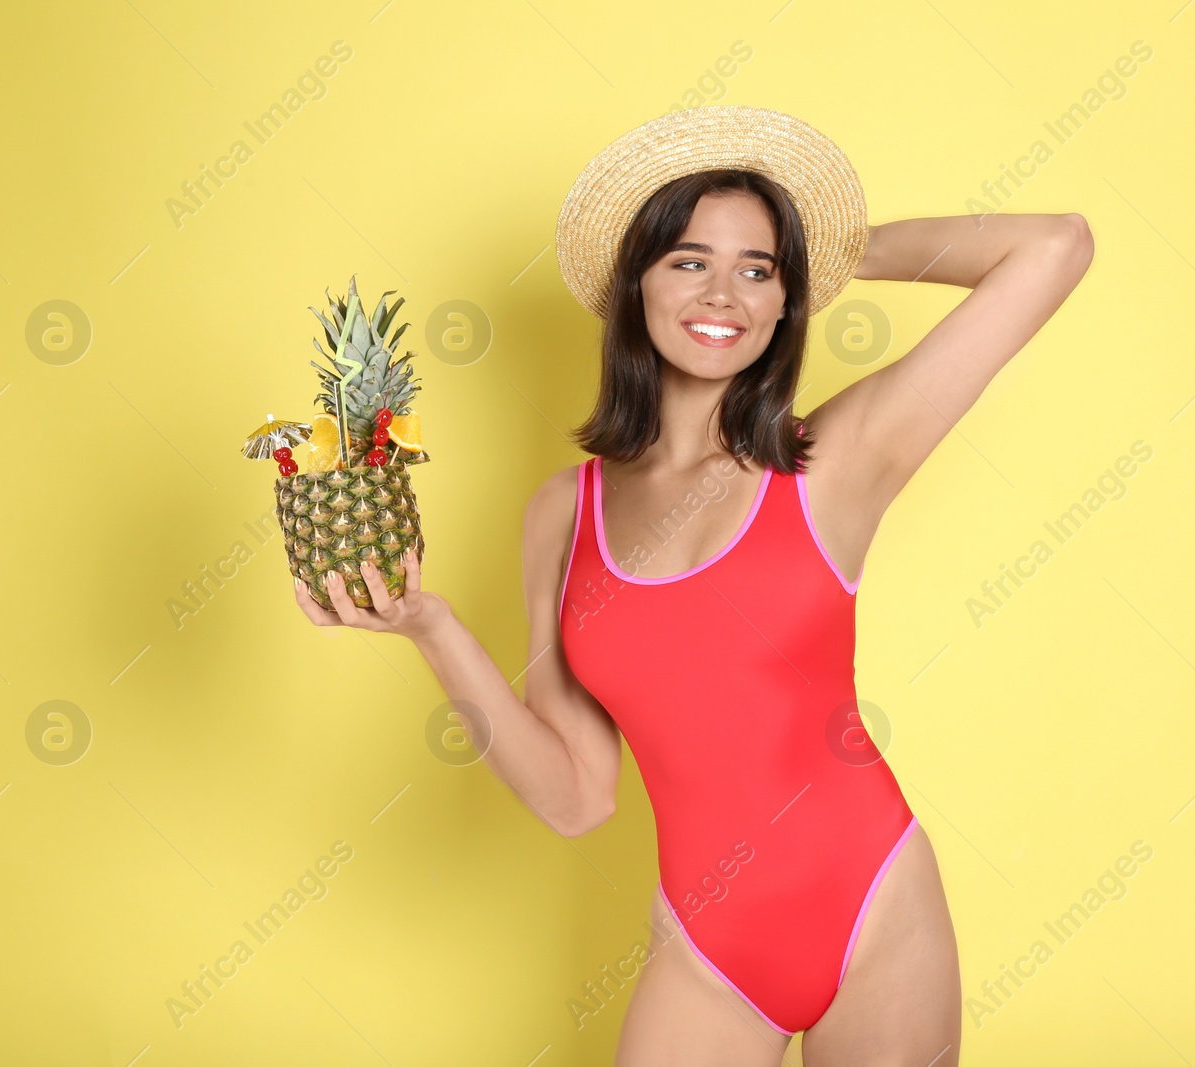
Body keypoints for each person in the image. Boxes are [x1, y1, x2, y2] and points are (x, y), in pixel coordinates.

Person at [295, 105, 1093, 1066]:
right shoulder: (563, 512)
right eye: (688, 260)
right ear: (635, 283)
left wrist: (829, 254)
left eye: (757, 269)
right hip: (708, 951)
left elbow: (1055, 246)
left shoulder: (833, 461)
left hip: (875, 909)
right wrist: (433, 627)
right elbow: (579, 798)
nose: (727, 292)